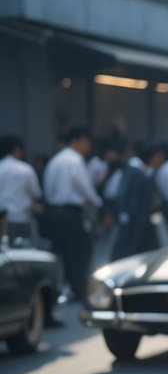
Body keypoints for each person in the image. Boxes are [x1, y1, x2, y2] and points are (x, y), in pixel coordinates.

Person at [43, 126, 100, 301]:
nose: (88, 146)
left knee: (63, 252)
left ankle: (68, 287)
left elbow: (47, 188)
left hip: (54, 211)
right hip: (71, 213)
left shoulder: (55, 160)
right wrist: (98, 203)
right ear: (76, 141)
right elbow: (85, 188)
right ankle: (78, 289)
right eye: (86, 141)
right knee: (81, 251)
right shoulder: (75, 160)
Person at [111, 142, 161, 261]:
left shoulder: (138, 171)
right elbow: (125, 197)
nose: (160, 159)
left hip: (139, 223)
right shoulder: (134, 173)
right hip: (134, 223)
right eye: (159, 156)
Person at [0, 135, 43, 243]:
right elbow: (36, 193)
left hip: (2, 220)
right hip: (22, 217)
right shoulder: (25, 169)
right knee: (24, 253)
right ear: (16, 149)